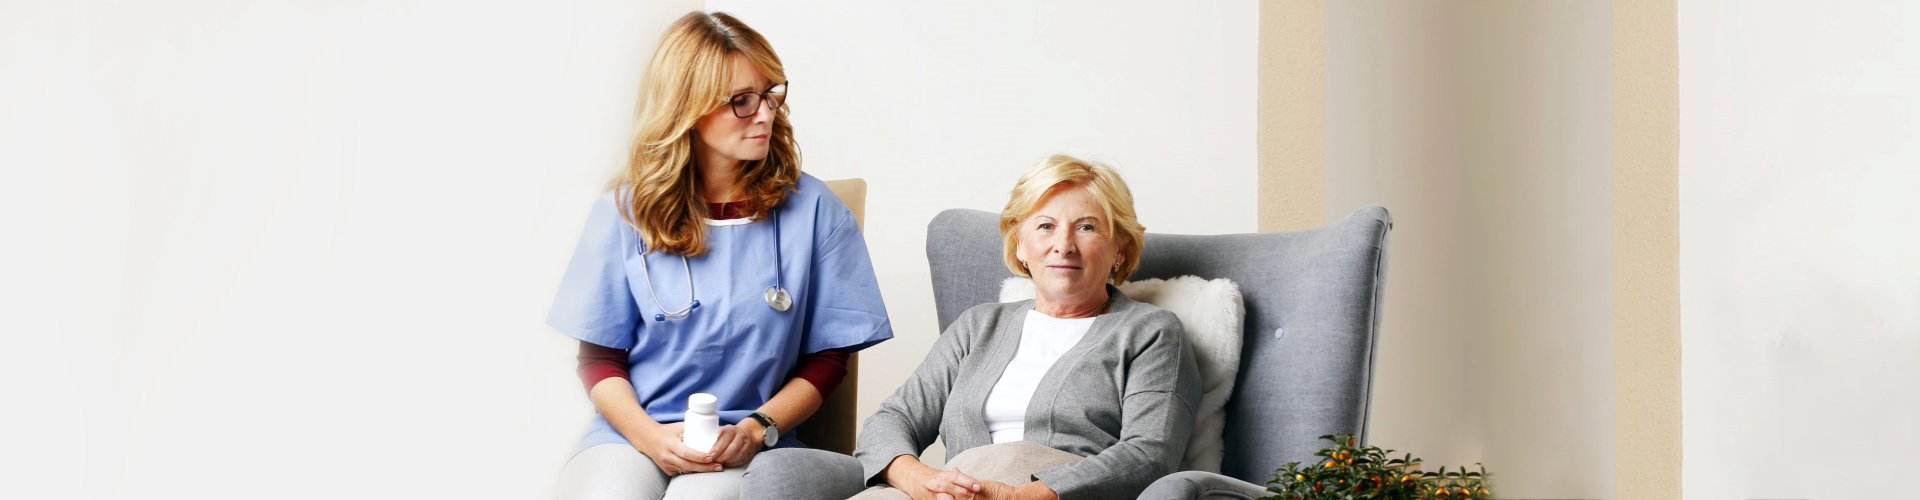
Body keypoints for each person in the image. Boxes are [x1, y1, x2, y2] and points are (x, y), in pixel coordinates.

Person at [547, 11, 893, 500]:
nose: (766, 113)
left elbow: (829, 359)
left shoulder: (815, 211)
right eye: (741, 101)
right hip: (631, 433)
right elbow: (599, 358)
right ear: (685, 109)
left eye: (770, 93)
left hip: (751, 441)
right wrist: (649, 437)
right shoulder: (623, 213)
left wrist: (755, 430)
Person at [744, 155, 1201, 500]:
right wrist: (918, 478)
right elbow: (893, 419)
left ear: (1120, 246)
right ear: (1020, 244)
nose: (1063, 245)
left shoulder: (1151, 332)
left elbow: (1149, 452)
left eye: (1086, 227)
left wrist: (1031, 494)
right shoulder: (980, 326)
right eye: (1045, 226)